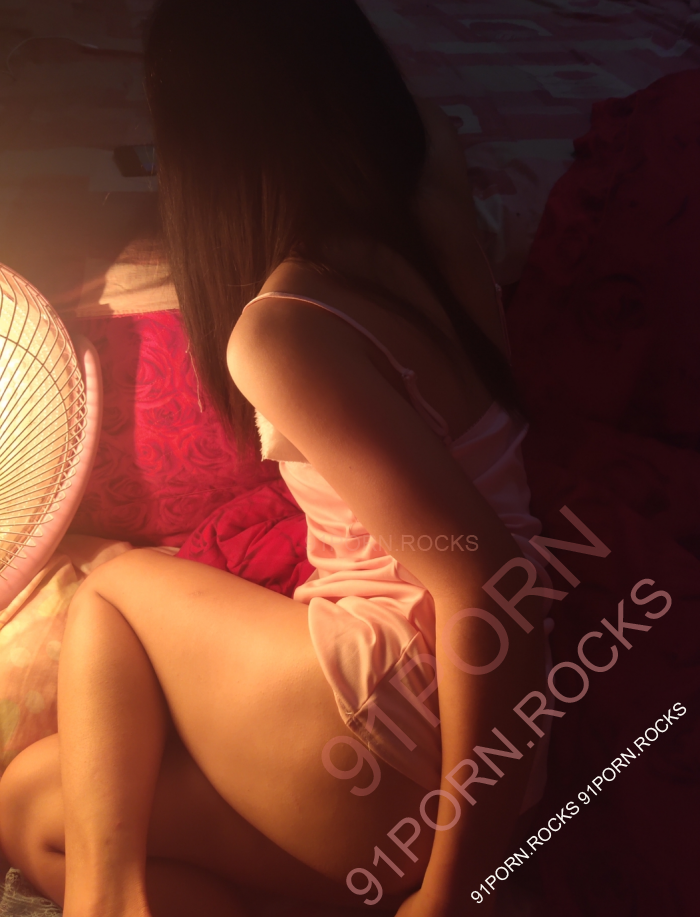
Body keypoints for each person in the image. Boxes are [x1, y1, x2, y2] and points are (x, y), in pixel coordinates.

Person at [0, 1, 553, 915]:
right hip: (500, 746)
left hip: (404, 734)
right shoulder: (441, 222)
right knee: (38, 807)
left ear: (204, 150)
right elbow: (426, 121)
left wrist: (455, 888)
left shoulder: (284, 330)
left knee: (110, 590)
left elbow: (486, 584)